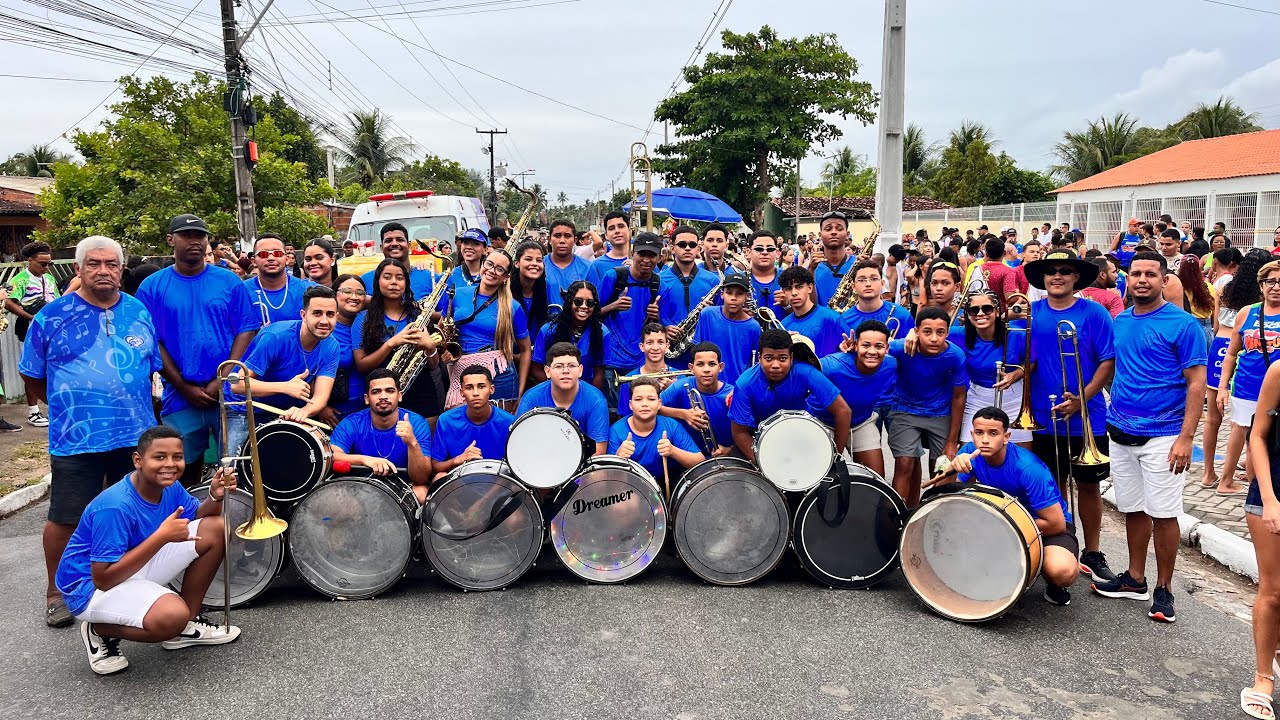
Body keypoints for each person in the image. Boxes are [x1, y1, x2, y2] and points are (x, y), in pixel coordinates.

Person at [20, 236, 163, 628]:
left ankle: (133, 583)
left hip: (134, 436)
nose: (103, 271)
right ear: (78, 269)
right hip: (76, 438)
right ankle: (57, 593)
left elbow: (150, 367)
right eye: (94, 264)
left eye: (111, 264)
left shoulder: (137, 310)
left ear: (121, 270)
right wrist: (66, 406)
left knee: (134, 513)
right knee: (67, 517)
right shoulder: (52, 316)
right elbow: (31, 374)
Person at [55, 426, 240, 676]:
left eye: (177, 457)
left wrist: (215, 497)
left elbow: (198, 519)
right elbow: (103, 579)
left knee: (216, 528)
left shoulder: (169, 486)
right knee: (171, 616)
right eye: (159, 457)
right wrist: (161, 537)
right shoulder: (115, 506)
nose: (170, 464)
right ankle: (98, 629)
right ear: (138, 460)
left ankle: (184, 627)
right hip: (89, 588)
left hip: (130, 564)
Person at [1086, 252, 1205, 623]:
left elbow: (1197, 384)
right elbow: (1110, 368)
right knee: (1133, 508)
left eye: (1150, 274)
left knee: (1164, 515)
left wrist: (1186, 437)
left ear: (1164, 280)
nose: (1141, 280)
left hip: (1165, 436)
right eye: (1135, 273)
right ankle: (1135, 578)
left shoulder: (1184, 325)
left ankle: (1164, 588)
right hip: (1121, 431)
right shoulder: (1120, 321)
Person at [136, 214, 260, 487]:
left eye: (200, 236)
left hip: (228, 394)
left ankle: (232, 514)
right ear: (171, 239)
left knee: (236, 468)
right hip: (180, 396)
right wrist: (183, 386)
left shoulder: (229, 282)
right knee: (180, 471)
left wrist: (222, 379)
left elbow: (246, 330)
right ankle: (188, 513)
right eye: (186, 235)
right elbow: (152, 342)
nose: (194, 241)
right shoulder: (152, 287)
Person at [1023, 249, 1116, 584]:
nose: (1057, 276)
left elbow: (1108, 361)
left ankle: (1093, 551)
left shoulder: (1094, 313)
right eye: (1051, 272)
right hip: (1043, 416)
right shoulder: (1031, 313)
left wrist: (1082, 399)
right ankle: (1062, 547)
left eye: (1064, 271)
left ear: (1076, 277)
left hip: (1087, 416)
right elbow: (1025, 359)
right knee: (1053, 485)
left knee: (1089, 487)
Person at [945, 407, 1079, 606]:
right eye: (979, 433)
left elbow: (1056, 524)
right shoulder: (969, 453)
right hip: (999, 519)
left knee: (1061, 571)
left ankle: (1048, 576)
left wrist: (1003, 527)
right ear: (972, 434)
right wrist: (951, 467)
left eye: (993, 433)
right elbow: (948, 498)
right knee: (947, 527)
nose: (984, 440)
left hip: (1043, 527)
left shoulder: (1028, 468)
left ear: (1006, 437)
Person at [223, 285, 342, 453]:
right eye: (317, 313)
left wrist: (303, 412)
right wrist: (285, 387)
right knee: (235, 465)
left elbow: (321, 396)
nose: (324, 321)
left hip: (283, 411)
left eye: (330, 314)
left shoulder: (332, 345)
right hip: (244, 408)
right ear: (303, 315)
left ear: (337, 316)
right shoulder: (276, 337)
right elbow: (237, 385)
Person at [728, 329, 850, 461]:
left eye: (783, 358)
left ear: (791, 358)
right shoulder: (745, 383)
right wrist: (763, 463)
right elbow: (739, 432)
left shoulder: (805, 372)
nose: (775, 365)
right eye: (768, 358)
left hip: (801, 434)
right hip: (759, 438)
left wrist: (835, 456)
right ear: (759, 358)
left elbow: (843, 411)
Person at [887, 306, 968, 506]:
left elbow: (959, 396)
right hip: (904, 409)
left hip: (940, 412)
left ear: (947, 333)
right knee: (904, 463)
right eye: (927, 332)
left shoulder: (955, 356)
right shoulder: (902, 347)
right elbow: (879, 346)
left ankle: (937, 513)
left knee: (941, 467)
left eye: (940, 332)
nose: (933, 338)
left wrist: (952, 441)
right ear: (916, 331)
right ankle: (897, 515)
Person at [352, 257, 444, 420]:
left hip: (423, 394)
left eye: (399, 278)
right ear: (377, 282)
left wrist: (430, 347)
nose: (394, 282)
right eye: (387, 277)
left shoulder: (418, 315)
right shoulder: (363, 319)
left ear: (406, 284)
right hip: (382, 397)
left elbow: (433, 365)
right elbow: (361, 365)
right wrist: (392, 343)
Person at [1218, 258, 1280, 495]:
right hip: (1247, 385)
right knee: (1242, 431)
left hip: (1276, 390)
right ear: (1261, 285)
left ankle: (1260, 487)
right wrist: (1222, 387)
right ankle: (1227, 481)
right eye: (1270, 281)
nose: (1276, 287)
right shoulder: (1247, 313)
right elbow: (1231, 353)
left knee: (1264, 437)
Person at [330, 369, 434, 502]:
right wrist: (365, 460)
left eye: (390, 391)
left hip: (403, 487)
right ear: (367, 399)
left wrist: (412, 443)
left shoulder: (416, 423)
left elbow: (421, 478)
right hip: (361, 485)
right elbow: (330, 457)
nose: (383, 396)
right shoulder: (352, 423)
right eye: (376, 392)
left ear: (399, 396)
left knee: (421, 493)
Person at [1242, 360, 1280, 719]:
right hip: (1273, 496)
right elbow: (1258, 435)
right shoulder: (1279, 371)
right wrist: (1269, 499)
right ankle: (1263, 677)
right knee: (1274, 591)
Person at [448, 248, 531, 409]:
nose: (492, 271)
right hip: (461, 370)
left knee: (498, 424)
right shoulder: (457, 294)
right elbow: (443, 329)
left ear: (506, 277)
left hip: (500, 375)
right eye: (489, 264)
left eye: (499, 269)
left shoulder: (513, 307)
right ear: (482, 264)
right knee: (462, 422)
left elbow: (526, 349)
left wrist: (520, 391)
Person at [821, 320, 897, 477]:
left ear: (887, 348)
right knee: (822, 477)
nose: (872, 351)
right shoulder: (832, 366)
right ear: (855, 346)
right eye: (866, 345)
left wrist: (913, 334)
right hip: (823, 423)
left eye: (879, 346)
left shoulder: (891, 364)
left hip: (860, 422)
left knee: (875, 480)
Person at [597, 232, 663, 408]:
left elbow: (657, 327)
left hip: (641, 361)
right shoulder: (613, 277)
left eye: (652, 255)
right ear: (633, 253)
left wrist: (655, 317)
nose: (646, 260)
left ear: (659, 258)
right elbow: (592, 314)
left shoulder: (658, 284)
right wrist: (613, 306)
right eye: (642, 254)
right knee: (613, 411)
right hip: (611, 359)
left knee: (640, 410)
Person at [517, 342, 610, 455]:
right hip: (538, 458)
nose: (566, 371)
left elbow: (598, 451)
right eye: (559, 366)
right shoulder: (531, 398)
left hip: (583, 462)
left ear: (580, 370)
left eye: (572, 366)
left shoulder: (596, 400)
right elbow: (518, 441)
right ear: (547, 371)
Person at [609, 377, 705, 485]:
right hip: (631, 487)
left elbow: (700, 463)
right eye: (638, 399)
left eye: (651, 399)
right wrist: (619, 458)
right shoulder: (616, 431)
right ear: (630, 405)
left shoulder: (671, 425)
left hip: (667, 484)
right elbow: (608, 481)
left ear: (659, 403)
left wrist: (673, 451)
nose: (644, 404)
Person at [5, 240, 59, 427]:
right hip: (30, 329)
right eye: (43, 264)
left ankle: (53, 407)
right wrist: (30, 317)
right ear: (30, 260)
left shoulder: (49, 278)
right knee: (34, 368)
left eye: (49, 264)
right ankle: (33, 412)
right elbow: (9, 302)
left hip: (52, 330)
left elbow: (57, 299)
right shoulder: (20, 279)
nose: (46, 267)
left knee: (52, 368)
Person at [430, 365, 515, 477]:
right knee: (439, 477)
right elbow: (435, 466)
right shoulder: (446, 420)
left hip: (500, 481)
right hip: (460, 481)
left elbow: (517, 466)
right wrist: (458, 460)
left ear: (491, 389)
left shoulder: (509, 422)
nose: (475, 393)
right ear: (461, 392)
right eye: (469, 388)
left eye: (481, 386)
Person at [659, 341, 734, 457]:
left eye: (712, 364)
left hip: (726, 457)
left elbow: (747, 430)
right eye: (700, 364)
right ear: (691, 368)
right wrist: (684, 414)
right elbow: (654, 408)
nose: (706, 369)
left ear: (720, 367)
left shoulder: (732, 394)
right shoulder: (679, 386)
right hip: (687, 457)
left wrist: (731, 450)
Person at [531, 279, 610, 389]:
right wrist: (557, 388)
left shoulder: (602, 332)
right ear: (569, 302)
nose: (584, 306)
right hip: (554, 389)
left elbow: (599, 372)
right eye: (578, 301)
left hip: (586, 391)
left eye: (590, 303)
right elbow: (536, 368)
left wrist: (586, 395)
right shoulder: (548, 330)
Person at [660, 224, 720, 364]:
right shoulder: (659, 279)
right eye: (682, 244)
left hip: (704, 351)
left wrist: (711, 311)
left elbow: (721, 315)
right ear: (672, 248)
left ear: (698, 249)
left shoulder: (713, 280)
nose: (687, 248)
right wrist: (664, 330)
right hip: (670, 351)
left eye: (692, 245)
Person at [692, 275, 760, 385]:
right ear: (722, 294)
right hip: (709, 384)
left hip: (738, 387)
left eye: (739, 293)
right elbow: (697, 351)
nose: (733, 298)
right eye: (729, 293)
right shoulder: (707, 314)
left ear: (747, 296)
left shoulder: (754, 327)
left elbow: (755, 363)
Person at [245, 234, 314, 325]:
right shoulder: (241, 291)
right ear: (253, 261)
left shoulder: (309, 290)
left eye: (277, 253)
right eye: (263, 254)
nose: (271, 258)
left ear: (286, 259)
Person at [326, 274, 368, 423]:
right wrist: (320, 407)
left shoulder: (370, 324)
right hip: (334, 413)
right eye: (347, 291)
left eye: (360, 293)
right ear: (334, 294)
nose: (354, 297)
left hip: (368, 409)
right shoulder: (324, 326)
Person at [837, 260, 915, 339]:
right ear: (853, 286)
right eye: (861, 280)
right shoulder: (843, 321)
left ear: (882, 283)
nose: (868, 284)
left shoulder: (902, 315)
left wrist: (892, 344)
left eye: (874, 279)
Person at [779, 266, 843, 357]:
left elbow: (848, 351)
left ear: (810, 288)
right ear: (783, 292)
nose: (794, 293)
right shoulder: (783, 325)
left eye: (799, 287)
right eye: (788, 289)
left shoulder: (831, 317)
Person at [618, 322, 678, 417]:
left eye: (660, 342)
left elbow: (687, 412)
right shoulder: (628, 380)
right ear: (642, 347)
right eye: (649, 342)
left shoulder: (680, 378)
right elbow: (624, 418)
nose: (655, 348)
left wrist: (674, 389)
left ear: (667, 346)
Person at [509, 240, 551, 349]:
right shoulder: (505, 290)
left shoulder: (547, 288)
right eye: (528, 259)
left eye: (539, 260)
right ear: (517, 263)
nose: (534, 264)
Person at [811, 211, 856, 306]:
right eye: (828, 229)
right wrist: (810, 271)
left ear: (847, 234)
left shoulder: (858, 264)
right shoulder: (811, 267)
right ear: (820, 235)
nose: (834, 232)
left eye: (839, 229)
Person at [543, 219, 592, 305]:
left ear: (575, 240)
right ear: (549, 239)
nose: (562, 241)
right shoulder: (539, 266)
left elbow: (595, 302)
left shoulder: (588, 268)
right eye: (557, 236)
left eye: (567, 236)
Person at [585, 211, 632, 288]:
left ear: (629, 231)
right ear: (606, 235)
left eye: (621, 226)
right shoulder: (597, 265)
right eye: (611, 228)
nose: (617, 231)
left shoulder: (642, 261)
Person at [745, 231, 785, 318]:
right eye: (759, 249)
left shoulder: (789, 278)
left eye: (770, 249)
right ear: (749, 252)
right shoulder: (739, 279)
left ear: (777, 252)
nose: (764, 252)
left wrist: (788, 305)